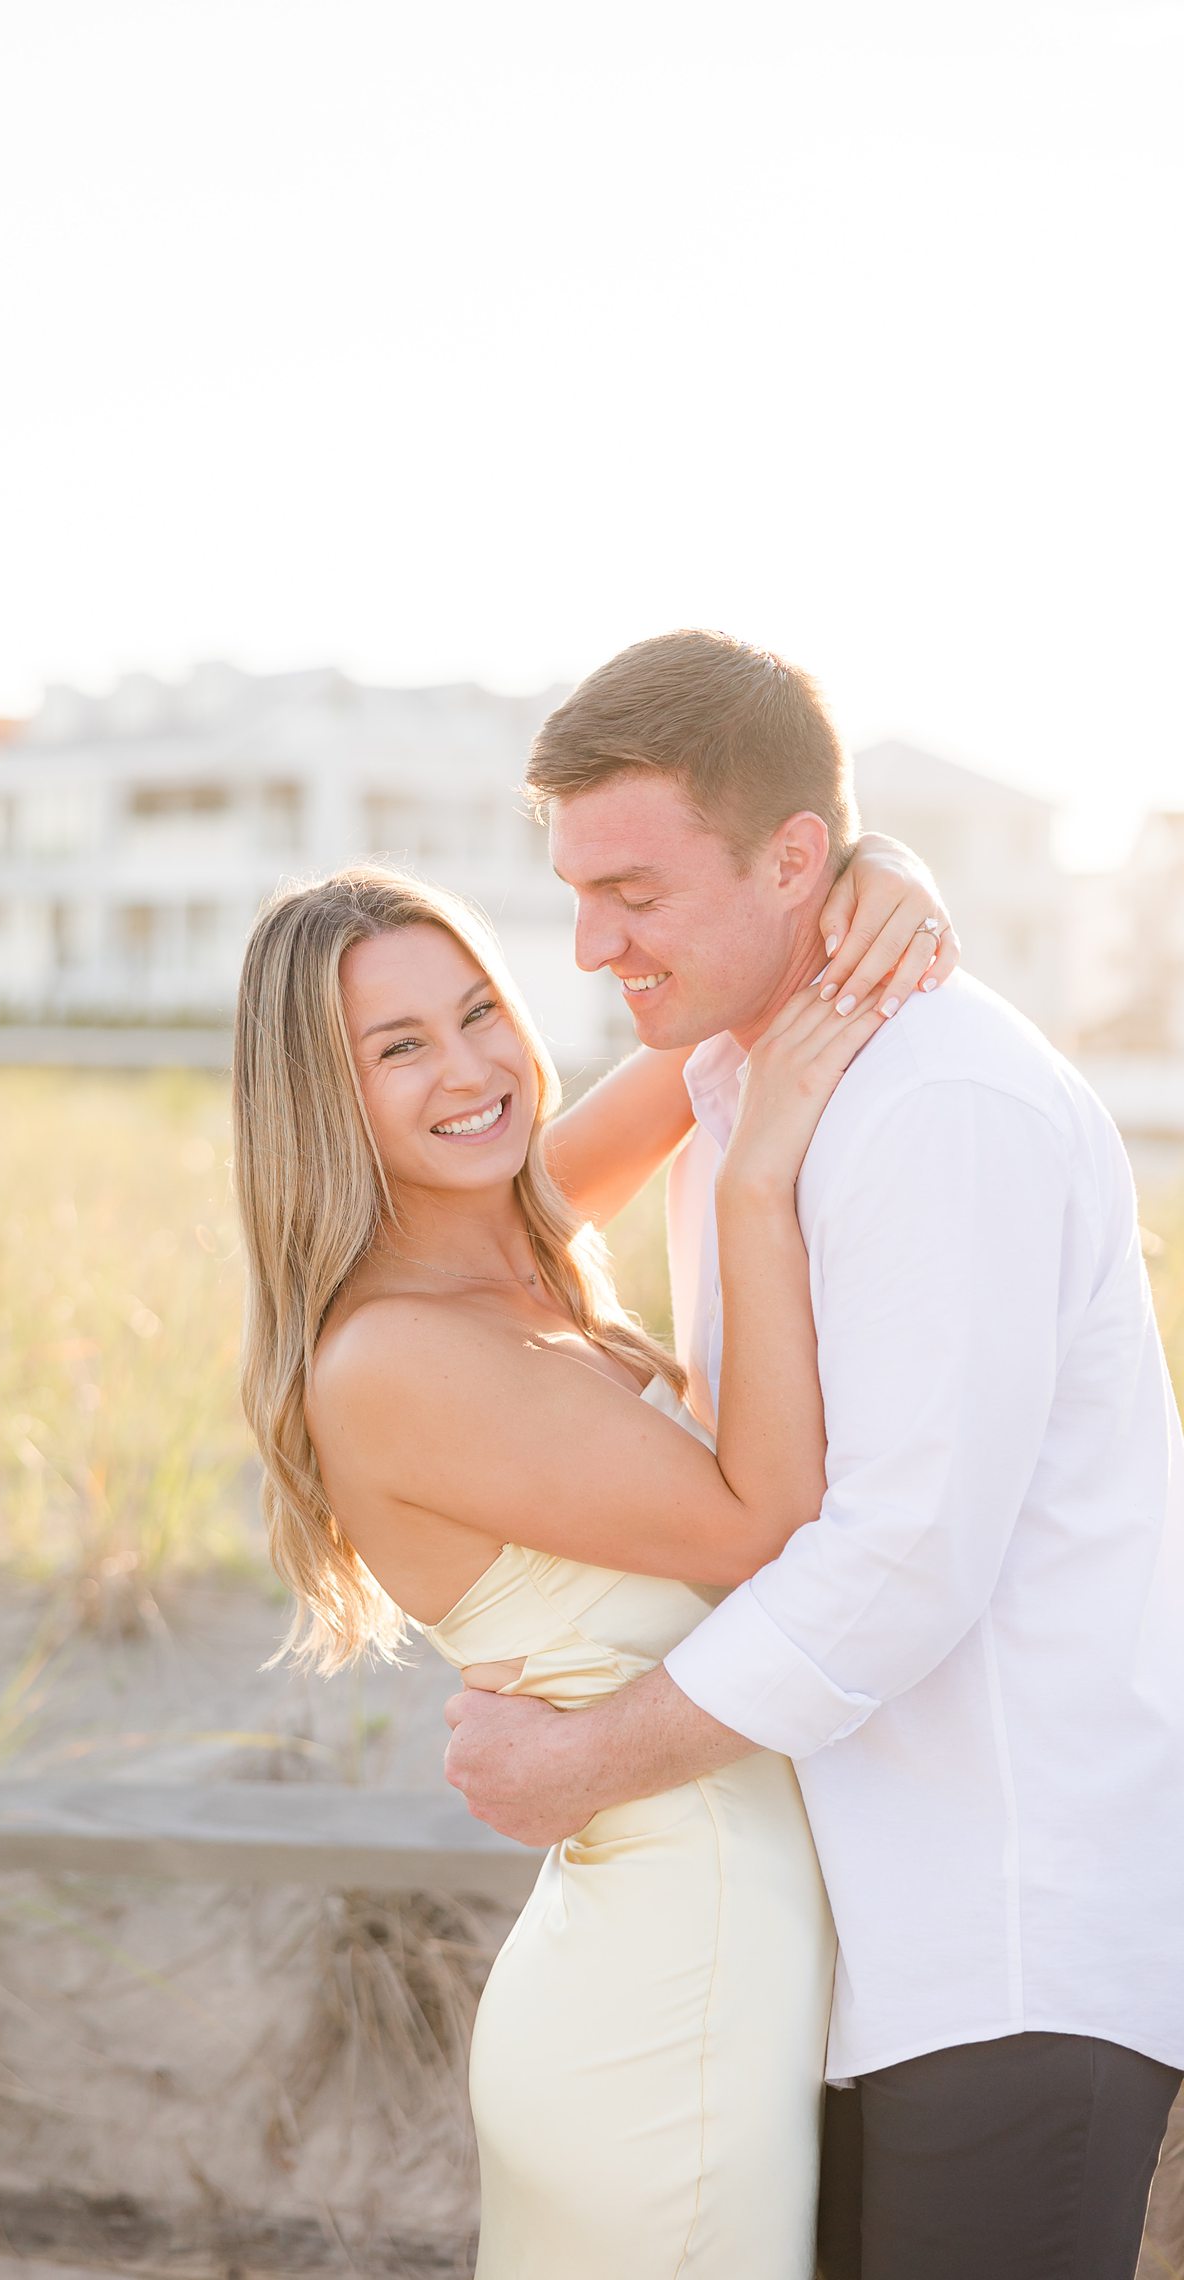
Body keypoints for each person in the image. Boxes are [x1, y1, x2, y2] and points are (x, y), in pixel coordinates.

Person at [442, 628, 1184, 2280]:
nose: (590, 945)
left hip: (1008, 1934)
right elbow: (496, 1236)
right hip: (861, 1938)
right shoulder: (732, 1079)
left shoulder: (940, 1104)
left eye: (633, 891)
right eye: (576, 892)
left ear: (792, 862)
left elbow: (900, 1560)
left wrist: (581, 1764)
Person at [232, 831, 954, 2278]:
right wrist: (755, 1191)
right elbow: (764, 1520)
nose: (468, 1069)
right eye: (399, 1047)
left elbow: (721, 1035)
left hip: (722, 1958)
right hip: (660, 1986)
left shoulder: (505, 1245)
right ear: (326, 1099)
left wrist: (882, 877)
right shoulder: (393, 1356)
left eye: (480, 1011)